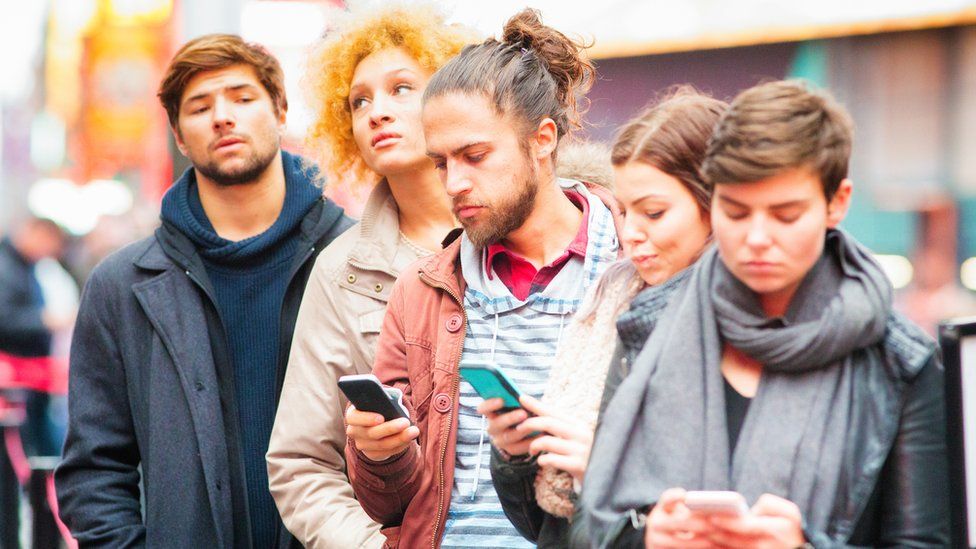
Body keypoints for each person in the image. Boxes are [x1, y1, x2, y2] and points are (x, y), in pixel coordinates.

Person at [581, 80, 950, 548]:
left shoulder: (900, 361)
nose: (757, 237)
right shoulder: (649, 326)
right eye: (735, 213)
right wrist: (647, 539)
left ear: (837, 202)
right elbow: (587, 527)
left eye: (786, 215)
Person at [55, 34, 353, 547]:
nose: (222, 116)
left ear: (280, 111)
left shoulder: (355, 259)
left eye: (242, 97)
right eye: (200, 106)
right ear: (178, 134)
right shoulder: (122, 285)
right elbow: (94, 470)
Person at [343, 8, 622, 548]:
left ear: (542, 139)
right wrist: (381, 454)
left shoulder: (636, 266)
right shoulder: (422, 289)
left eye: (474, 155)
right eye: (442, 163)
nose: (454, 182)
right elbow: (389, 505)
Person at [265, 5, 474, 548]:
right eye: (360, 100)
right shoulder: (340, 270)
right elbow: (301, 463)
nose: (378, 111)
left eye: (403, 88)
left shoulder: (528, 227)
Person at [485, 89, 726, 548]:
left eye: (653, 213)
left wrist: (605, 470)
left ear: (715, 205)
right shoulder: (612, 299)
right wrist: (518, 457)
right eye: (627, 209)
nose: (632, 233)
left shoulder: (737, 326)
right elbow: (549, 528)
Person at [0, 216, 67, 546]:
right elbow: (7, 319)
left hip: (32, 381)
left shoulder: (22, 266)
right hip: (15, 384)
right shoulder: (6, 267)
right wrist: (43, 320)